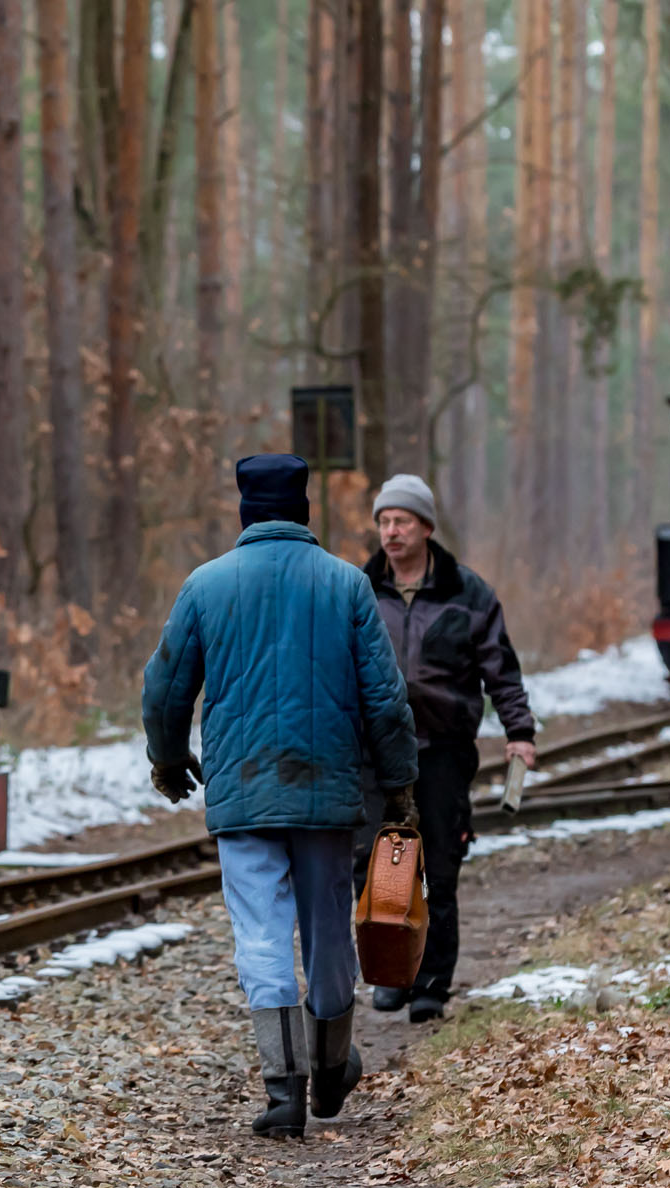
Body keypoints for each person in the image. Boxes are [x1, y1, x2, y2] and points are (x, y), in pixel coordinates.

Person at [142, 453, 419, 1139]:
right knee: (329, 931)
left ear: (246, 512)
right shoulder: (346, 585)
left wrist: (170, 758)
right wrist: (400, 785)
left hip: (243, 793)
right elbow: (386, 700)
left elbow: (166, 685)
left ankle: (284, 1092)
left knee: (261, 934)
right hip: (326, 793)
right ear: (302, 511)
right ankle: (330, 1070)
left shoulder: (207, 586)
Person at [361, 473, 534, 1021]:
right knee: (383, 866)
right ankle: (392, 975)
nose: (391, 532)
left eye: (402, 521)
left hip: (443, 749)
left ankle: (432, 984)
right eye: (384, 521)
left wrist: (519, 732)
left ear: (426, 528)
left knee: (440, 865)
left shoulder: (469, 593)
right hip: (379, 752)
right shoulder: (359, 589)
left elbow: (501, 669)